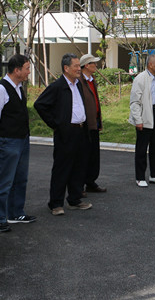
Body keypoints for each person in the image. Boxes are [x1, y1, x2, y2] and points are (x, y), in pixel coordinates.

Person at [34, 53, 92, 215]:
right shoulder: (57, 86)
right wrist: (56, 124)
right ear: (66, 68)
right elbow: (40, 105)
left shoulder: (78, 84)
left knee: (79, 167)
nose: (79, 69)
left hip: (81, 131)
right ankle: (56, 203)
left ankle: (74, 199)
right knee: (62, 168)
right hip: (66, 132)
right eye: (76, 66)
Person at [0, 54, 35, 233]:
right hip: (8, 140)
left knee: (20, 178)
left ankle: (16, 213)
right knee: (4, 180)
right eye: (27, 68)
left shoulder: (19, 87)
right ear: (17, 70)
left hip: (22, 139)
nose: (29, 72)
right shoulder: (0, 89)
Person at [129, 54, 155, 187]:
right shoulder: (140, 79)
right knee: (142, 148)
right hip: (145, 115)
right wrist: (138, 120)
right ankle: (140, 177)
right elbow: (135, 102)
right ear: (151, 65)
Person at [78, 54, 106, 194]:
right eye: (93, 63)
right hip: (84, 124)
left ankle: (90, 182)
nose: (96, 66)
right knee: (83, 156)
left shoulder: (92, 79)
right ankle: (79, 185)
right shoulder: (79, 81)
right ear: (86, 65)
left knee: (94, 155)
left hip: (94, 121)